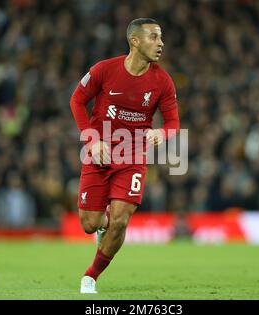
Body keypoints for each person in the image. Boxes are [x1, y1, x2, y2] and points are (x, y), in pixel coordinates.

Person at [70, 18, 180, 293]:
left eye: (161, 37)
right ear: (135, 41)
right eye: (154, 37)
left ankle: (91, 276)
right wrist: (92, 140)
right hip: (99, 153)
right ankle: (101, 224)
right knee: (89, 224)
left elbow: (173, 123)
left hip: (133, 156)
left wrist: (162, 134)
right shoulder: (104, 70)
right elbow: (77, 100)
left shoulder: (163, 81)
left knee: (120, 220)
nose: (160, 43)